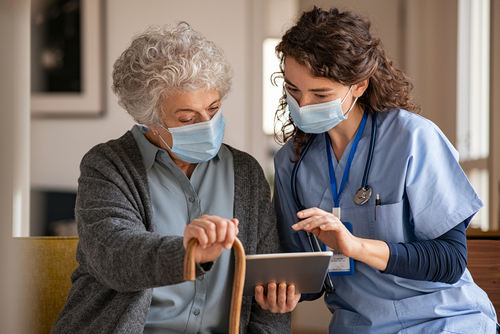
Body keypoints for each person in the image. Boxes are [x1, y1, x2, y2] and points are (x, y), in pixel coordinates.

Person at [50, 22, 291, 334]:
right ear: (148, 119)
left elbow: (266, 283)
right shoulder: (107, 165)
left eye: (214, 109)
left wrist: (277, 301)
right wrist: (188, 253)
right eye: (187, 118)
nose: (207, 124)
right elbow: (114, 255)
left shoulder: (245, 171)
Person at [271, 6, 499, 334]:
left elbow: (449, 260)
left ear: (359, 86)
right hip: (360, 326)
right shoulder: (291, 163)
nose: (303, 105)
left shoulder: (413, 139)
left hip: (445, 321)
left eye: (320, 94)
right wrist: (283, 292)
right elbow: (309, 280)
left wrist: (354, 246)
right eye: (293, 90)